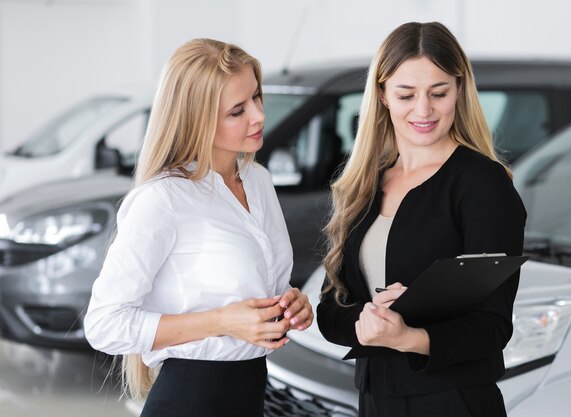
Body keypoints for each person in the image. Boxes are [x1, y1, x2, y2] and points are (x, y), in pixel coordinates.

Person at [84, 38, 313, 417]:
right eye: (237, 110)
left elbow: (253, 287)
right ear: (196, 118)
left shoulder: (257, 180)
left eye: (257, 98)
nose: (258, 116)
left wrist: (292, 304)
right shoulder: (164, 199)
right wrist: (223, 322)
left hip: (252, 392)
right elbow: (104, 324)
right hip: (189, 400)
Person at [317, 22, 526, 417]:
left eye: (438, 92)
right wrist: (367, 318)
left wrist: (408, 336)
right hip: (375, 399)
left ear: (459, 89)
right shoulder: (364, 183)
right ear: (382, 95)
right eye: (406, 94)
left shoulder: (482, 184)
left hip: (453, 401)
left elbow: (494, 326)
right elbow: (330, 309)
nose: (423, 110)